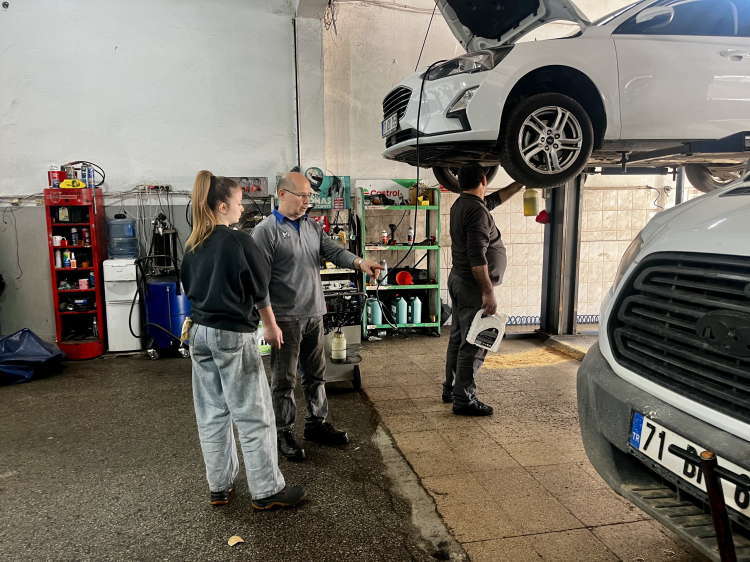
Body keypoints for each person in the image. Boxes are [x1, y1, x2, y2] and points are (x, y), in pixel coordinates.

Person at [182, 171, 305, 510]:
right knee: (254, 415)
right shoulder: (238, 241)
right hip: (232, 335)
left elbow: (188, 289)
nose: (242, 209)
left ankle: (219, 487)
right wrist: (271, 326)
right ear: (222, 206)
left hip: (199, 334)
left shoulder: (193, 244)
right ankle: (266, 491)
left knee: (212, 415)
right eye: (238, 203)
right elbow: (259, 290)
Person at [252, 172, 383, 461]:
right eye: (302, 195)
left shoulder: (311, 226)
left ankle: (316, 424)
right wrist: (268, 323)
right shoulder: (265, 232)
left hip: (314, 314)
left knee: (316, 375)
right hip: (285, 319)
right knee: (284, 379)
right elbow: (257, 283)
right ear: (282, 194)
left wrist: (360, 262)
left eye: (309, 196)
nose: (306, 201)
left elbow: (334, 251)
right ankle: (283, 432)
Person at [444, 163, 524, 416]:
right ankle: (464, 400)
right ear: (484, 180)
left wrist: (521, 182)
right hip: (472, 286)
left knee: (458, 338)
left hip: (459, 280)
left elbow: (494, 199)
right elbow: (477, 256)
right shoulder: (476, 211)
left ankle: (451, 388)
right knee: (475, 342)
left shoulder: (463, 204)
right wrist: (488, 292)